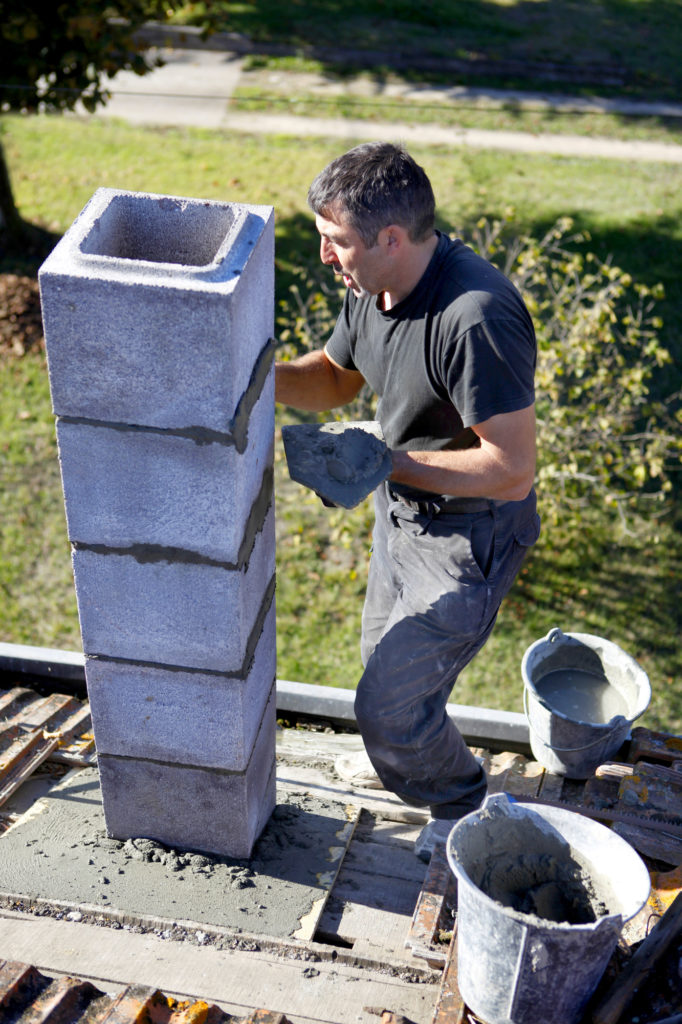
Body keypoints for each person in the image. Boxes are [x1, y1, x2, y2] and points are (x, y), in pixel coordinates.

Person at [275, 142, 540, 861]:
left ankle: (460, 801)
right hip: (402, 520)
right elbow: (335, 379)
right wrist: (250, 374)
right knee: (387, 688)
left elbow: (512, 469)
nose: (326, 257)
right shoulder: (373, 287)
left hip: (467, 541)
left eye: (337, 242)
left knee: (387, 709)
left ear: (391, 238)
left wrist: (386, 462)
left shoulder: (474, 319)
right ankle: (410, 746)